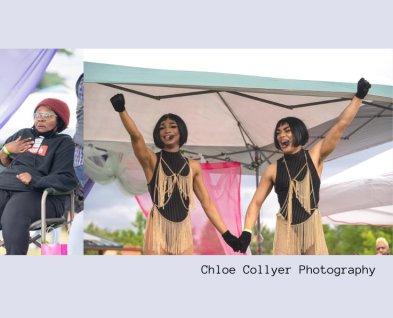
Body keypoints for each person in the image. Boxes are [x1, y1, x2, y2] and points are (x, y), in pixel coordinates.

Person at [240, 78, 372, 255]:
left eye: (287, 130)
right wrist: (246, 233)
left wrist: (359, 97)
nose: (281, 135)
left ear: (298, 132)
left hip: (312, 227)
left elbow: (340, 125)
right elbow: (255, 203)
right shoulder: (272, 170)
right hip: (285, 230)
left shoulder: (315, 155)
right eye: (278, 132)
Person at [110, 93, 240, 255]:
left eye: (172, 126)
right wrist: (121, 110)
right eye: (162, 128)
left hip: (183, 232)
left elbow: (207, 204)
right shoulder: (151, 160)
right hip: (158, 228)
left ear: (181, 131)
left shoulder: (193, 167)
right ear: (158, 134)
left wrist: (227, 235)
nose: (167, 130)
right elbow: (136, 136)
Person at [0, 98, 78, 255]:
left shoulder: (65, 143)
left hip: (39, 194)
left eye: (47, 115)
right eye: (37, 115)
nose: (41, 118)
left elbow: (67, 178)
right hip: (3, 185)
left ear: (60, 120)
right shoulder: (23, 134)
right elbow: (4, 163)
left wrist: (36, 180)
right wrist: (5, 151)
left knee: (15, 211)